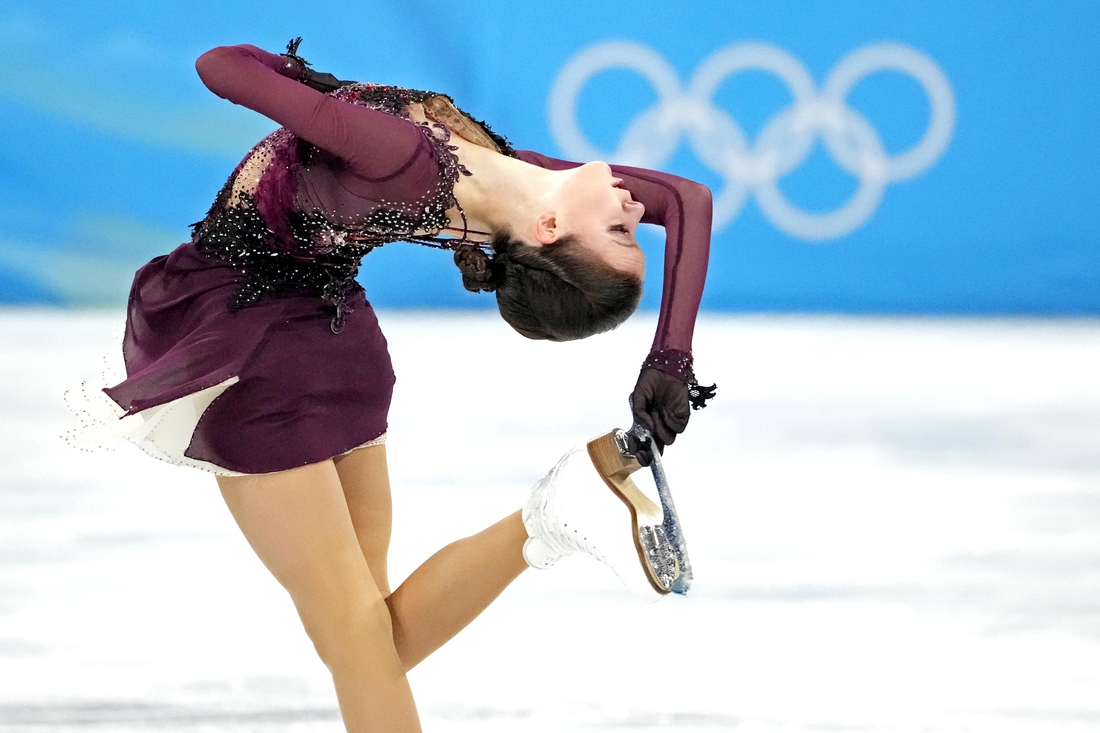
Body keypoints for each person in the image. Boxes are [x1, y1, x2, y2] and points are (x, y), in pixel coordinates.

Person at [71, 39, 714, 733]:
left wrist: (303, 83)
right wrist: (669, 358)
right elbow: (687, 199)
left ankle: (550, 515)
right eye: (631, 229)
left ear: (551, 228)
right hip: (337, 340)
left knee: (355, 637)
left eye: (621, 231)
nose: (634, 211)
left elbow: (216, 66)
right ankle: (543, 522)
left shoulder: (405, 156)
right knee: (370, 635)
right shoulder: (504, 169)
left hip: (253, 345)